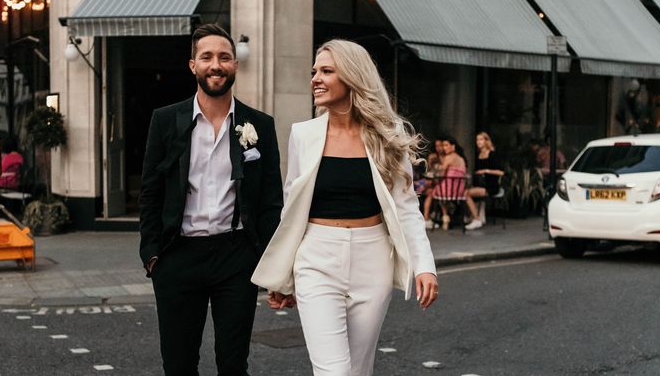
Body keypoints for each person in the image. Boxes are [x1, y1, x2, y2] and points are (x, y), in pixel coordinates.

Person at [251, 39, 438, 376]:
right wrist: (283, 275)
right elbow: (291, 208)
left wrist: (424, 265)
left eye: (326, 71)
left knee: (358, 369)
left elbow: (406, 207)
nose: (315, 79)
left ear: (352, 77)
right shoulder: (303, 134)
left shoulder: (387, 135)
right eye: (313, 72)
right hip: (317, 259)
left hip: (373, 260)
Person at [139, 23, 283, 376]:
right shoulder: (165, 120)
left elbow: (270, 201)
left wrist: (273, 266)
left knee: (234, 364)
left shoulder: (259, 125)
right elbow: (150, 190)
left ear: (235, 64)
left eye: (224, 57)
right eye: (206, 57)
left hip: (236, 257)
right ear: (193, 65)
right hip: (177, 255)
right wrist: (152, 253)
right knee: (179, 364)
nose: (215, 65)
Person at [465, 131, 504, 230]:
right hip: (481, 184)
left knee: (466, 194)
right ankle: (475, 216)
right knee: (466, 190)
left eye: (481, 139)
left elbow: (501, 172)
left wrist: (487, 171)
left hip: (491, 185)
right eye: (477, 140)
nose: (478, 142)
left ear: (487, 141)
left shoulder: (492, 154)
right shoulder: (479, 154)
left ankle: (476, 218)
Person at [430, 137, 468, 231]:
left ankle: (444, 215)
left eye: (446, 145)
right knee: (441, 191)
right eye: (443, 146)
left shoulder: (448, 158)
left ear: (453, 146)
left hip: (448, 189)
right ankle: (449, 209)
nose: (444, 148)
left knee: (433, 191)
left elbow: (442, 174)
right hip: (459, 190)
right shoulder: (461, 159)